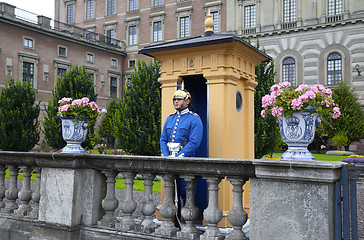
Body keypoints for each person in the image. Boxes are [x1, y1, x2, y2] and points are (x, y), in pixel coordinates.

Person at [160, 88, 205, 226]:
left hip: (185, 162)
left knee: (187, 193)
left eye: (179, 99)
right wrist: (166, 156)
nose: (176, 101)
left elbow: (194, 142)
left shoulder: (194, 119)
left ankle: (189, 223)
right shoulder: (170, 119)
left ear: (187, 101)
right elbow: (163, 139)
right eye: (174, 99)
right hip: (170, 162)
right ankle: (175, 223)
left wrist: (180, 156)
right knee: (172, 194)